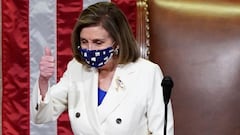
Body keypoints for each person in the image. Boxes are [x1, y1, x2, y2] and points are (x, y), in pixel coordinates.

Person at [31, 1, 174, 135]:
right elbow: (41, 116)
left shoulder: (147, 73)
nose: (90, 49)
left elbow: (162, 130)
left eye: (98, 42)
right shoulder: (77, 68)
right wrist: (44, 81)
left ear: (117, 42)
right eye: (84, 42)